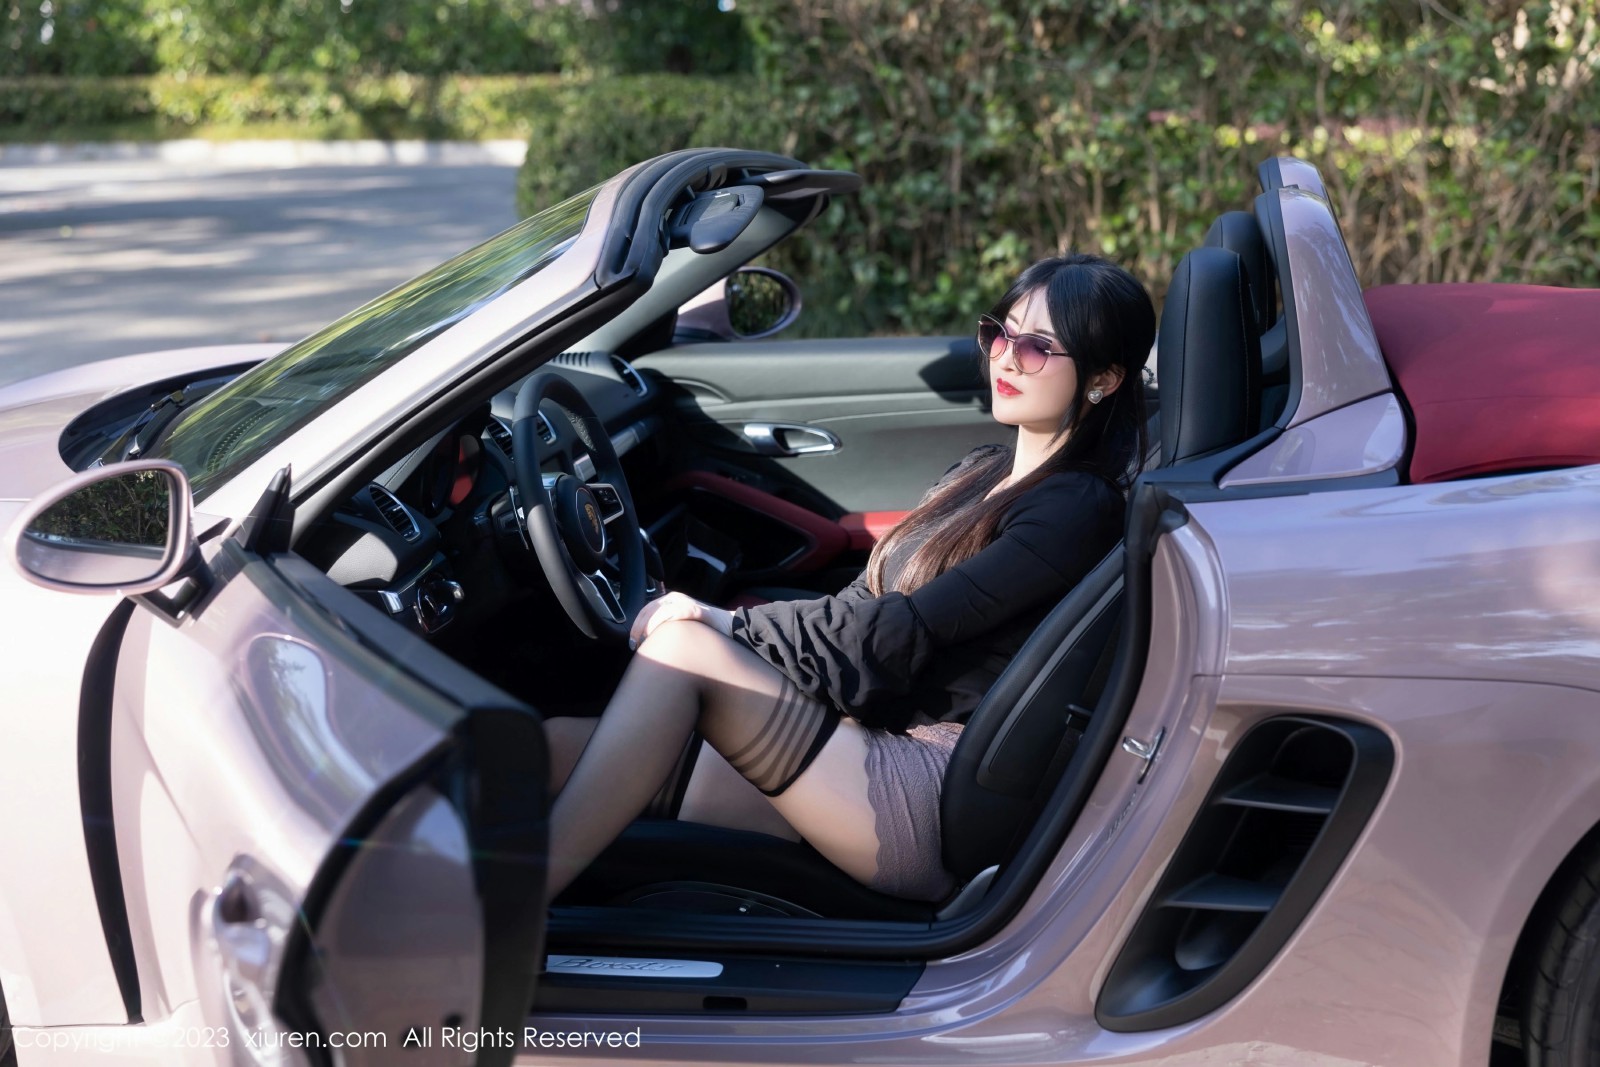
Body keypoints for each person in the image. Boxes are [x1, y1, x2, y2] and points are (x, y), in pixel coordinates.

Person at [544, 253, 1154, 904]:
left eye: (1036, 348)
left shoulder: (1075, 508)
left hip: (926, 787)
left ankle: (510, 920)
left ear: (1103, 378)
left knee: (683, 649)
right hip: (864, 734)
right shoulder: (982, 470)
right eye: (999, 333)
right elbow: (866, 598)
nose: (1006, 359)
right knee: (546, 746)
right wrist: (750, 636)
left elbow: (902, 629)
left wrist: (727, 623)